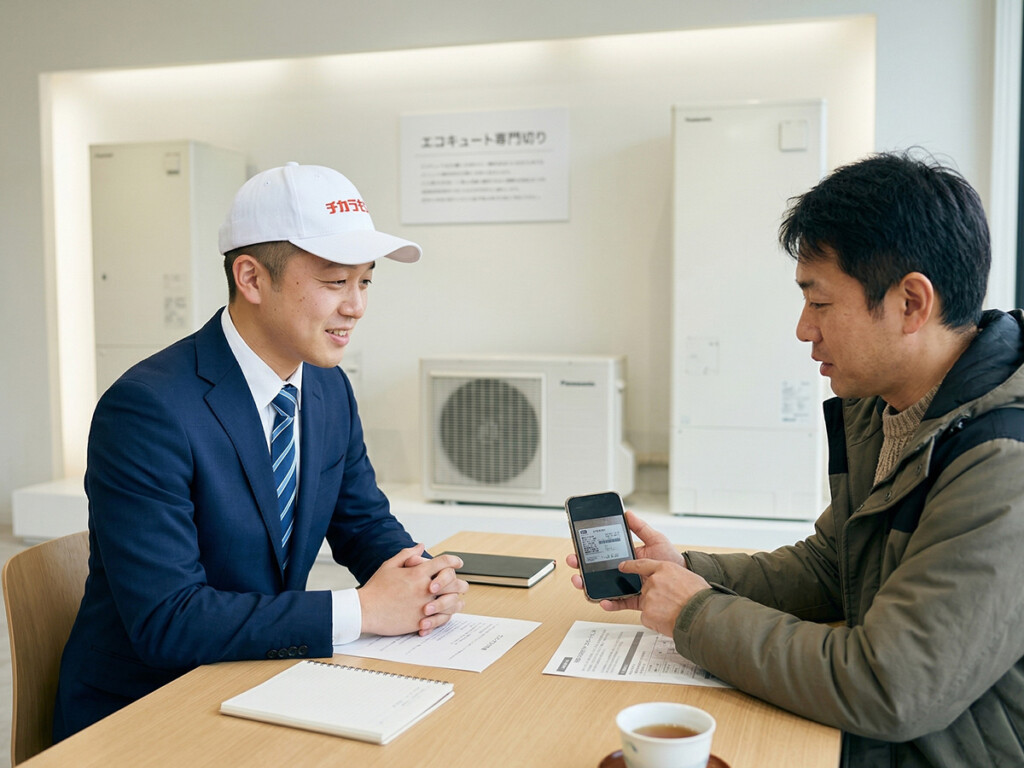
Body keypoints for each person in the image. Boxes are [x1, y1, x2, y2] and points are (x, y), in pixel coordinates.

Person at [568, 151, 1024, 766]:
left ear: (912, 303)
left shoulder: (1002, 460)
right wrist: (684, 571)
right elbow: (834, 570)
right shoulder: (887, 406)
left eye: (821, 302)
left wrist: (695, 614)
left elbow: (891, 687)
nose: (804, 329)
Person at [54, 162, 468, 740]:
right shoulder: (147, 408)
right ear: (251, 278)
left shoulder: (325, 387)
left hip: (263, 679)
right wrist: (364, 610)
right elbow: (168, 621)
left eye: (366, 280)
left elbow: (363, 522)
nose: (356, 307)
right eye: (334, 282)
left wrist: (421, 580)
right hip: (147, 711)